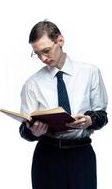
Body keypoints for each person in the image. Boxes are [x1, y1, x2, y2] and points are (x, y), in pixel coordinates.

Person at [19, 20, 108, 189]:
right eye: (37, 54)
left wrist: (89, 120)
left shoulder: (90, 73)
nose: (43, 58)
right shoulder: (32, 84)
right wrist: (33, 131)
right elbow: (24, 131)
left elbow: (102, 117)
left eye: (46, 51)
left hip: (82, 155)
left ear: (60, 40)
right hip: (47, 156)